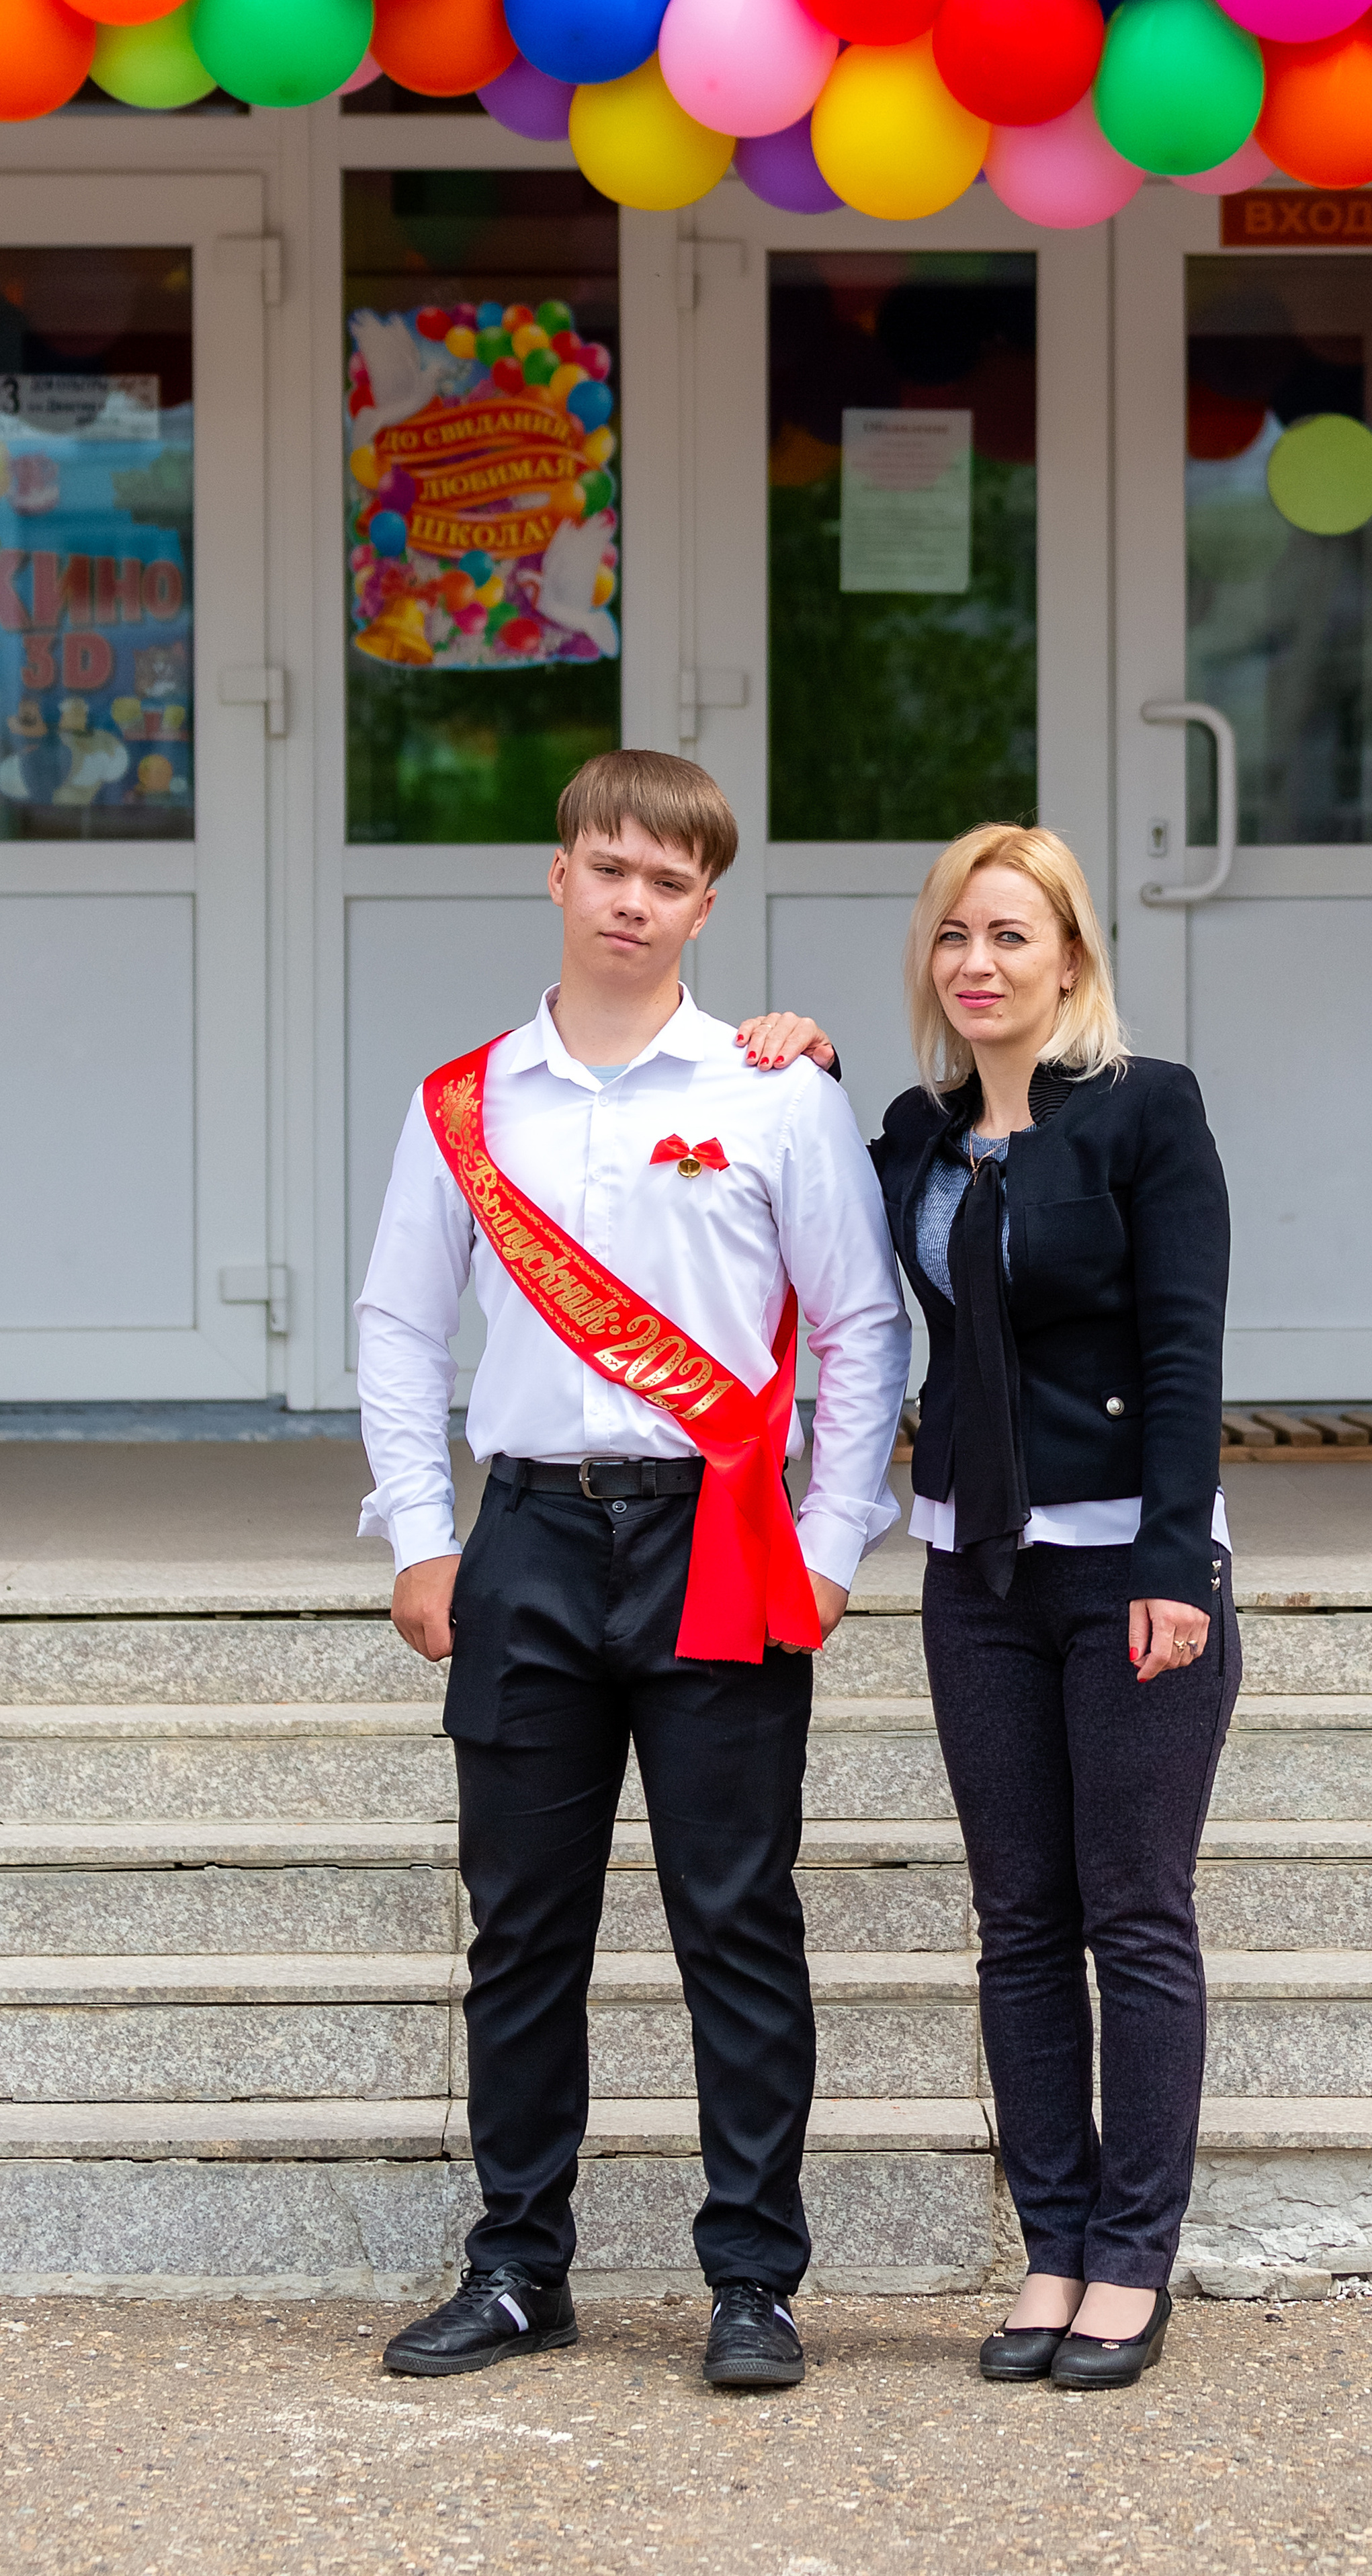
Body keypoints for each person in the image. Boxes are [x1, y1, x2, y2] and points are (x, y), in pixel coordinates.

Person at [355, 749, 910, 2387]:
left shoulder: (773, 1093)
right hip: (525, 1535)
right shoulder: (464, 1102)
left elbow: (863, 1328)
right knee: (522, 1931)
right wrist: (421, 1534)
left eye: (666, 881)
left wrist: (830, 1545)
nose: (631, 900)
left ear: (702, 907)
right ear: (559, 876)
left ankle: (753, 2279)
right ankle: (518, 2266)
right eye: (607, 867)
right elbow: (398, 1325)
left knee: (734, 1922)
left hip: (718, 1540)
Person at [744, 822, 1236, 2391]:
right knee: (1017, 1920)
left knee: (1131, 1913)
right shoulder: (913, 1130)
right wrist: (803, 1066)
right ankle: (1052, 2243)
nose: (977, 962)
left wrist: (1171, 1562)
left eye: (1011, 935)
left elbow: (1183, 1351)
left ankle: (1130, 2258)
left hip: (1126, 1568)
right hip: (974, 1568)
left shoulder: (1148, 1111)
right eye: (954, 935)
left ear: (1069, 958)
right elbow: (816, 1214)